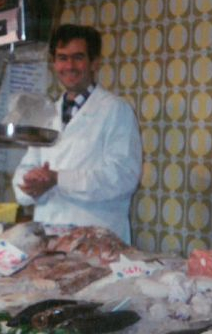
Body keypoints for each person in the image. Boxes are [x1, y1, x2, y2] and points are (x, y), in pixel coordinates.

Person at [12, 24, 142, 243]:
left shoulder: (115, 110)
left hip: (98, 239)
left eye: (78, 57)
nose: (69, 66)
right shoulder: (47, 114)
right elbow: (24, 172)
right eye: (62, 58)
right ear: (54, 63)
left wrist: (57, 179)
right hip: (48, 235)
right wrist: (31, 184)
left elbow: (123, 177)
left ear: (94, 62)